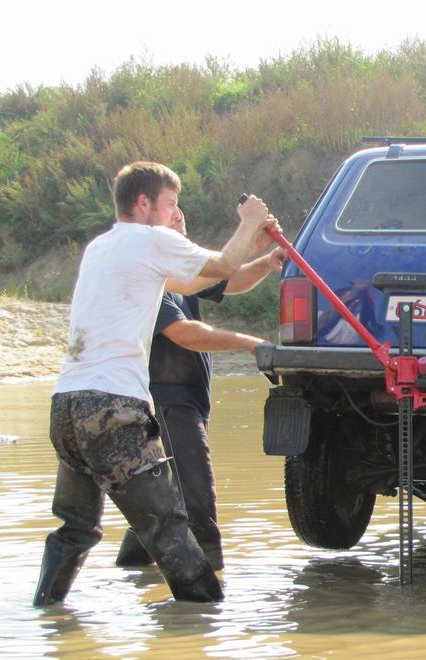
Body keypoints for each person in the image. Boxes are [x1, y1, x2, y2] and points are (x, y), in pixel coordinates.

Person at [33, 161, 275, 606]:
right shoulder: (150, 240)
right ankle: (206, 619)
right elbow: (223, 263)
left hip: (66, 405)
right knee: (168, 528)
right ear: (144, 204)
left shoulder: (101, 247)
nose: (175, 212)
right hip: (112, 409)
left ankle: (46, 614)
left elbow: (200, 280)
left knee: (77, 528)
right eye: (171, 203)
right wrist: (250, 221)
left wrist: (254, 250)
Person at [115, 209, 283, 571]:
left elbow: (230, 280)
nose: (179, 214)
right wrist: (249, 342)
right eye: (169, 208)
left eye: (180, 207)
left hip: (185, 404)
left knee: (162, 508)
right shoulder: (151, 281)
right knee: (198, 507)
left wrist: (266, 262)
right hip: (168, 406)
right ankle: (209, 589)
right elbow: (185, 334)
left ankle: (132, 579)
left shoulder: (179, 276)